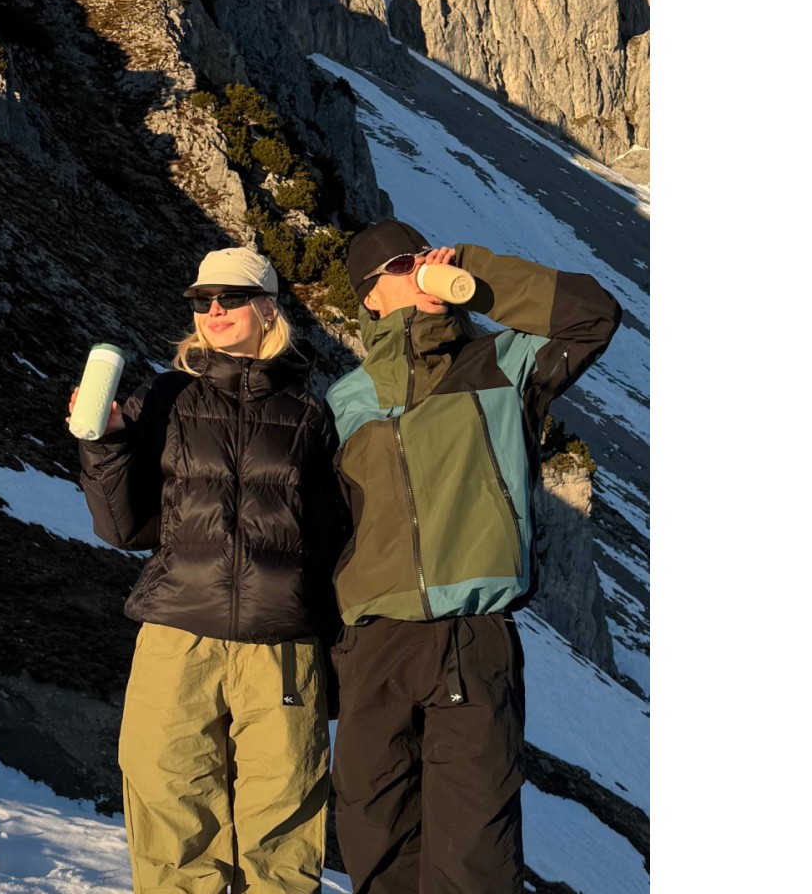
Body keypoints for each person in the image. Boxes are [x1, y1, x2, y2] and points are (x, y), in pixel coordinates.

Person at [324, 219, 622, 894]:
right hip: (373, 649)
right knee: (377, 840)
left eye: (418, 256)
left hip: (470, 639)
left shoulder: (501, 367)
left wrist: (476, 274)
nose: (416, 269)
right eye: (400, 266)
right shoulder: (346, 401)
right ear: (370, 297)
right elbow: (331, 530)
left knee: (474, 854)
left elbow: (594, 314)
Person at [68, 247, 349, 894]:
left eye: (230, 297)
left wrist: (337, 651)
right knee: (171, 816)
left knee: (281, 832)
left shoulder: (311, 413)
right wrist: (105, 444)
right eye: (201, 300)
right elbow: (122, 528)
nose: (213, 310)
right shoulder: (166, 397)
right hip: (177, 636)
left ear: (268, 308)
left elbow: (336, 540)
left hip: (281, 648)